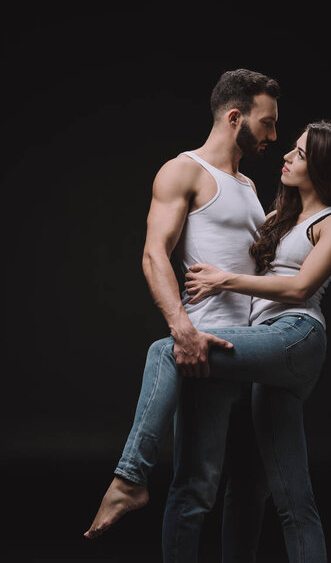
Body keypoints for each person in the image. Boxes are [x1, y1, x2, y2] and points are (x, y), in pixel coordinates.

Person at [85, 115, 331, 562]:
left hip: (296, 336)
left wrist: (222, 281)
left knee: (167, 349)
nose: (286, 155)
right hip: (266, 351)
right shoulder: (276, 217)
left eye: (301, 153)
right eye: (291, 146)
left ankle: (130, 477)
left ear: (324, 166)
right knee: (278, 495)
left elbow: (298, 288)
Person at [85, 68, 281, 561]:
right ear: (235, 117)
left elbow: (250, 263)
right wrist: (183, 331)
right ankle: (129, 481)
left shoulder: (249, 185)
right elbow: (155, 253)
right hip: (208, 348)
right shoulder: (184, 170)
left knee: (251, 491)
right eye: (267, 123)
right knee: (196, 490)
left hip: (254, 353)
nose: (273, 136)